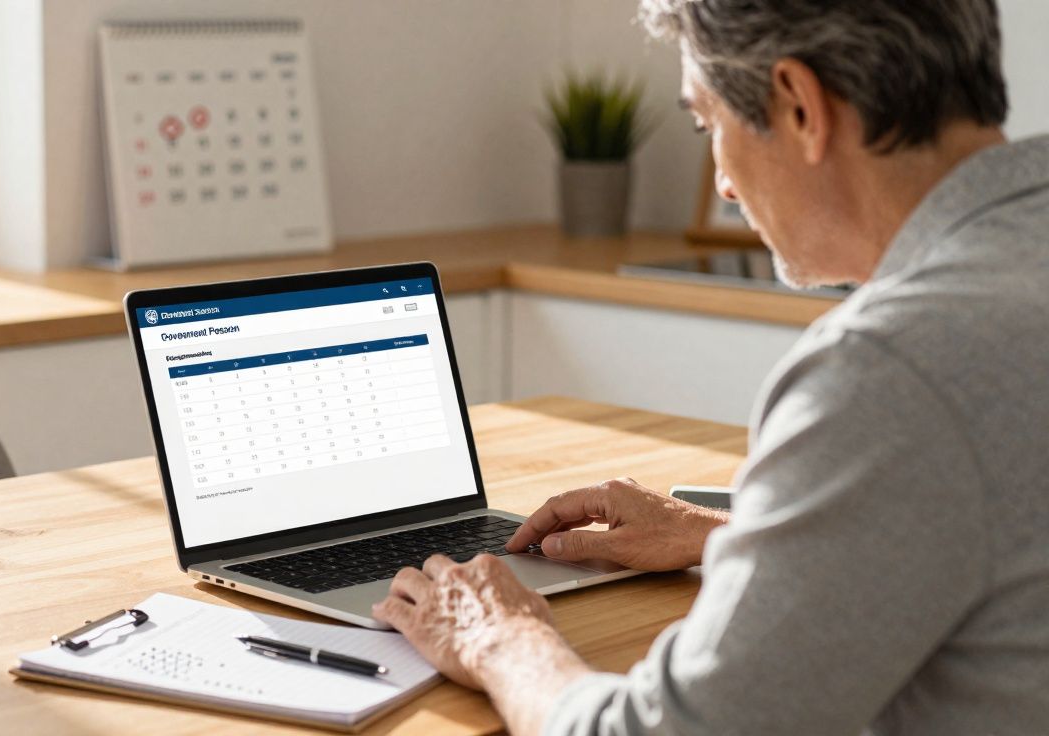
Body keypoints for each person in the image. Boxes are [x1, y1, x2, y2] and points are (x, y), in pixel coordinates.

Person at [373, 1, 1049, 734]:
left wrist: (499, 636)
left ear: (798, 105)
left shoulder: (887, 367)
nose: (723, 183)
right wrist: (742, 533)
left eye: (707, 124)